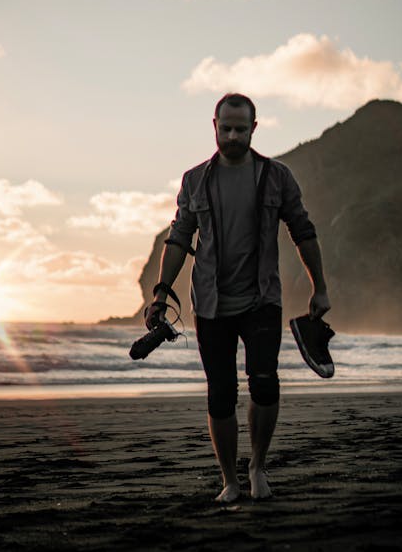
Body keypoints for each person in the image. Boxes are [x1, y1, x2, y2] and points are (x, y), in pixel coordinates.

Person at [145, 93, 330, 502]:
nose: (231, 136)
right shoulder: (195, 180)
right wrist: (161, 292)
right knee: (221, 392)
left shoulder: (276, 176)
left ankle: (258, 466)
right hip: (211, 304)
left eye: (240, 129)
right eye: (225, 128)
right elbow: (178, 237)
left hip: (262, 300)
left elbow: (302, 230)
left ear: (254, 129)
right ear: (214, 125)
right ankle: (229, 479)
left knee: (265, 384)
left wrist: (320, 287)